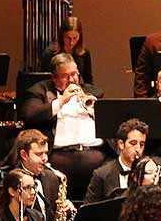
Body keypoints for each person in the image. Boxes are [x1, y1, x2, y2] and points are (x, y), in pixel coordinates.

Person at [18, 52, 106, 200]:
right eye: (66, 76)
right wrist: (61, 101)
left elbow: (108, 121)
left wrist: (94, 109)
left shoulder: (93, 92)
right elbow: (30, 115)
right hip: (59, 157)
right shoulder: (39, 91)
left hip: (95, 154)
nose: (72, 80)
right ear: (54, 77)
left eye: (74, 74)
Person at [84, 119, 149, 203]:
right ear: (121, 144)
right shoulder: (101, 175)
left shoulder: (148, 172)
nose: (138, 149)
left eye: (142, 144)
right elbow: (89, 208)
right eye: (133, 143)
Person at [39, 16, 93, 84]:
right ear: (62, 35)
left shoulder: (84, 53)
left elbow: (88, 79)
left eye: (75, 38)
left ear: (80, 35)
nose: (71, 42)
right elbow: (44, 81)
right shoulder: (50, 53)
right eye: (68, 38)